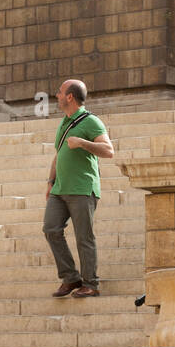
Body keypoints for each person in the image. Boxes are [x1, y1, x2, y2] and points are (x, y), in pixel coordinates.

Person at [43, 79, 114, 299]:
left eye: (60, 92)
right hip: (59, 188)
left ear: (70, 97)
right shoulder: (64, 122)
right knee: (51, 229)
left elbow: (108, 150)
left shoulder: (91, 121)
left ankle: (90, 283)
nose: (57, 95)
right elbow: (59, 154)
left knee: (84, 237)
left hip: (82, 188)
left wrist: (83, 143)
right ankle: (71, 277)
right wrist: (50, 181)